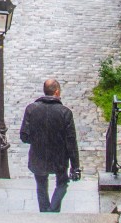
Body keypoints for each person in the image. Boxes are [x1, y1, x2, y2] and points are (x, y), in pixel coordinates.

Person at [20, 78, 80, 213]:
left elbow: (24, 136)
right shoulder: (65, 112)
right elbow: (71, 141)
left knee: (41, 186)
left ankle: (45, 211)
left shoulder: (31, 109)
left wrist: (38, 139)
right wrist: (75, 166)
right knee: (62, 183)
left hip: (38, 155)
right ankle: (53, 211)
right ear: (57, 92)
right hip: (59, 157)